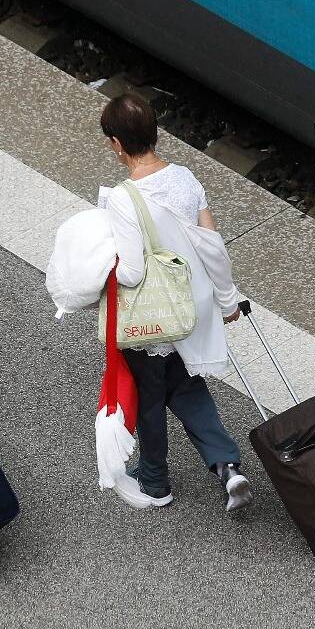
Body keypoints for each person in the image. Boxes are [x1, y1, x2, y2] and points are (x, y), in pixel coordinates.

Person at [97, 90, 253, 514]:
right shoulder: (185, 178)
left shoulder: (123, 199)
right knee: (186, 387)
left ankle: (154, 481)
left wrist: (101, 268)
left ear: (116, 143)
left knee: (150, 400)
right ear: (154, 133)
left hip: (154, 322)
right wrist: (227, 302)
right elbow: (212, 246)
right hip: (194, 310)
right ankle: (227, 466)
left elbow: (130, 272)